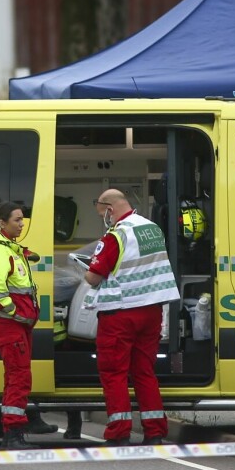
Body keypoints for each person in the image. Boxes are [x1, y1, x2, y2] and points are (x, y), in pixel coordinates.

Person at [84, 188, 180, 446]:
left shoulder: (116, 235)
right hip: (151, 310)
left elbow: (93, 277)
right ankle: (155, 431)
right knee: (144, 372)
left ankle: (119, 432)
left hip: (120, 312)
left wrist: (89, 268)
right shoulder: (151, 228)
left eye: (103, 213)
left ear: (111, 209)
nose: (104, 219)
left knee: (114, 372)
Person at [0, 201, 40, 450]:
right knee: (19, 377)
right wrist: (15, 312)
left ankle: (9, 430)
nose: (22, 224)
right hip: (10, 324)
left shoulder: (8, 247)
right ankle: (14, 434)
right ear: (2, 223)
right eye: (17, 220)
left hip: (16, 324)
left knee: (14, 377)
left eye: (22, 219)